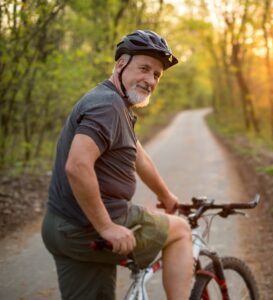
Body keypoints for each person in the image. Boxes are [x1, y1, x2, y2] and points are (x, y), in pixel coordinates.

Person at [42, 30, 193, 300]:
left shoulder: (114, 103)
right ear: (121, 64)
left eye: (157, 75)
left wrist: (166, 196)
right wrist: (106, 227)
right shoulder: (108, 106)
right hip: (88, 227)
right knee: (180, 230)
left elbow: (139, 156)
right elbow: (77, 165)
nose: (150, 80)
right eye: (144, 69)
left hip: (60, 227)